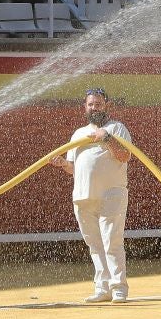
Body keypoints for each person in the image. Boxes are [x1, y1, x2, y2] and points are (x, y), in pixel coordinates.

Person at [45, 88, 133, 303]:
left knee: (111, 241)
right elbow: (74, 168)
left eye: (99, 104)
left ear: (107, 105)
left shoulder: (117, 128)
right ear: (85, 107)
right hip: (84, 196)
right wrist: (63, 163)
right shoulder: (77, 134)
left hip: (111, 194)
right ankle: (102, 288)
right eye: (91, 104)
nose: (95, 108)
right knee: (94, 244)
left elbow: (124, 156)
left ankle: (118, 288)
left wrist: (107, 139)